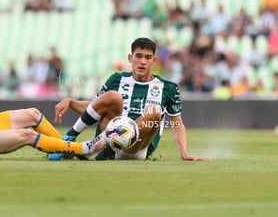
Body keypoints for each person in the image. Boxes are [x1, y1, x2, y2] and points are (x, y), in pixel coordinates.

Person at [48, 38, 210, 161]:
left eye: (148, 57)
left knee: (154, 112)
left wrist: (185, 154)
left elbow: (177, 123)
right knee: (112, 97)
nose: (142, 61)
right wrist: (71, 102)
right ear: (130, 58)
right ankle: (69, 139)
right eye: (138, 56)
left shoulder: (168, 87)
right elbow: (94, 107)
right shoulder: (116, 79)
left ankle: (94, 148)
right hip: (108, 139)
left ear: (154, 61)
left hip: (137, 147)